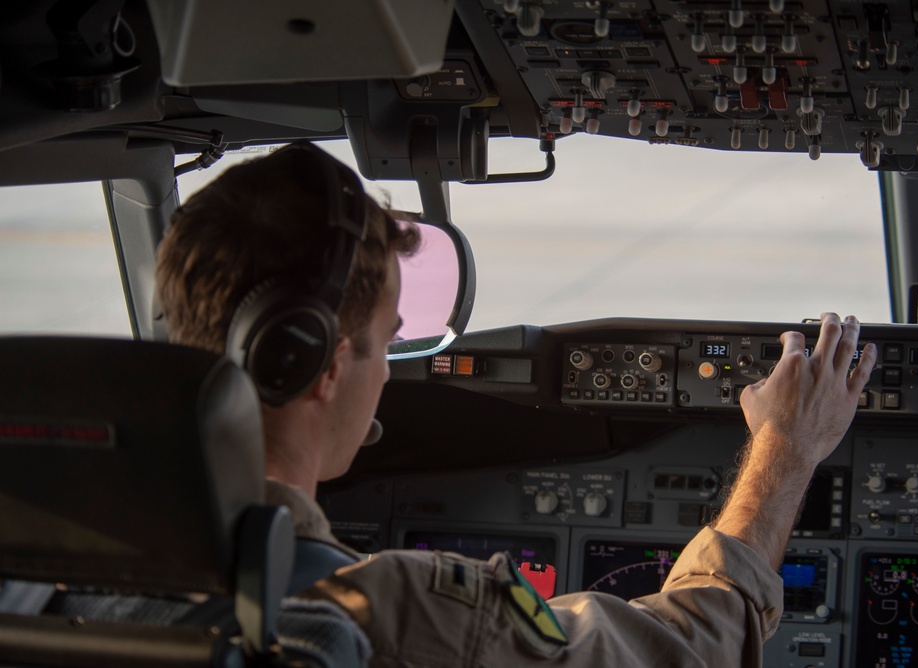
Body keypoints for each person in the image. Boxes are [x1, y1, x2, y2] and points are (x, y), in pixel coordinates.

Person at [156, 142, 877, 667]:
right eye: (386, 343)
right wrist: (786, 448)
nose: (386, 375)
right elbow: (691, 648)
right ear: (317, 365)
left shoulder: (56, 567)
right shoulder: (393, 611)